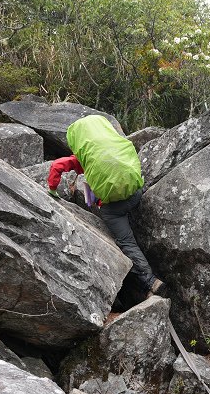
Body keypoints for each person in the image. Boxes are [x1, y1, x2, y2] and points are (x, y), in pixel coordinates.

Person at [47, 114, 165, 299]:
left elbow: (56, 166)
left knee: (126, 241)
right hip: (135, 193)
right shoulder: (115, 144)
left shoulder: (84, 159)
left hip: (114, 209)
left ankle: (151, 281)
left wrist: (53, 192)